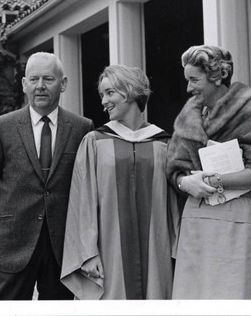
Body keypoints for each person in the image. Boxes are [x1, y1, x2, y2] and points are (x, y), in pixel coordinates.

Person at [0, 52, 94, 300]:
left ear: (63, 83)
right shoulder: (0, 127)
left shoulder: (82, 128)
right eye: (34, 79)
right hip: (13, 243)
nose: (40, 86)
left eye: (48, 79)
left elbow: (86, 186)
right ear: (24, 84)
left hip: (62, 248)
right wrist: (11, 211)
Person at [166, 45, 251, 299]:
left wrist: (214, 181)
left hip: (233, 217)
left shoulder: (248, 110)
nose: (188, 88)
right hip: (195, 217)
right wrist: (186, 182)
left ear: (216, 76)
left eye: (194, 80)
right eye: (187, 80)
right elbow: (173, 169)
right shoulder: (189, 115)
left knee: (228, 298)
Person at [60, 65, 179, 300]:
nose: (104, 101)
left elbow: (175, 206)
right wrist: (87, 254)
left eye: (110, 93)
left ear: (130, 91)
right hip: (108, 252)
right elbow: (82, 201)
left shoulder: (163, 143)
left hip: (157, 252)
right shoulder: (94, 141)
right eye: (103, 94)